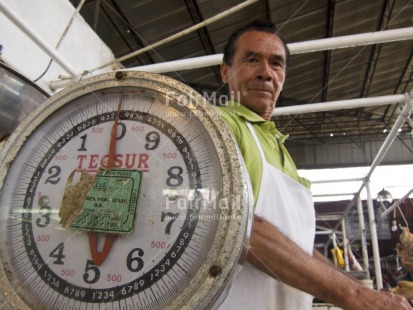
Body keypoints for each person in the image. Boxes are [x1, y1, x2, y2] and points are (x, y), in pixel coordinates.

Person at [215, 20, 411, 310]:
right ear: (225, 71)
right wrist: (354, 297)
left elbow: (299, 247)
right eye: (252, 59)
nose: (265, 73)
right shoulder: (219, 125)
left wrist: (364, 289)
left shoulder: (279, 148)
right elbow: (238, 228)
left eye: (276, 64)